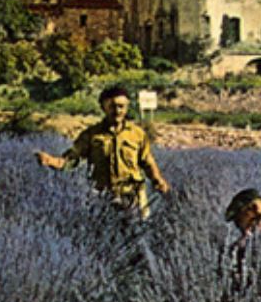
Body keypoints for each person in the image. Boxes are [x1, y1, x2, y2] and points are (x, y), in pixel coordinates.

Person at [35, 85, 170, 218]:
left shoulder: (137, 134)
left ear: (127, 107)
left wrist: (158, 181)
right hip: (104, 197)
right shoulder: (92, 135)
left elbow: (147, 161)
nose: (117, 111)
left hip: (134, 195)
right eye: (112, 106)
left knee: (139, 233)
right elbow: (72, 159)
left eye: (121, 106)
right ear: (103, 107)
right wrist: (51, 161)